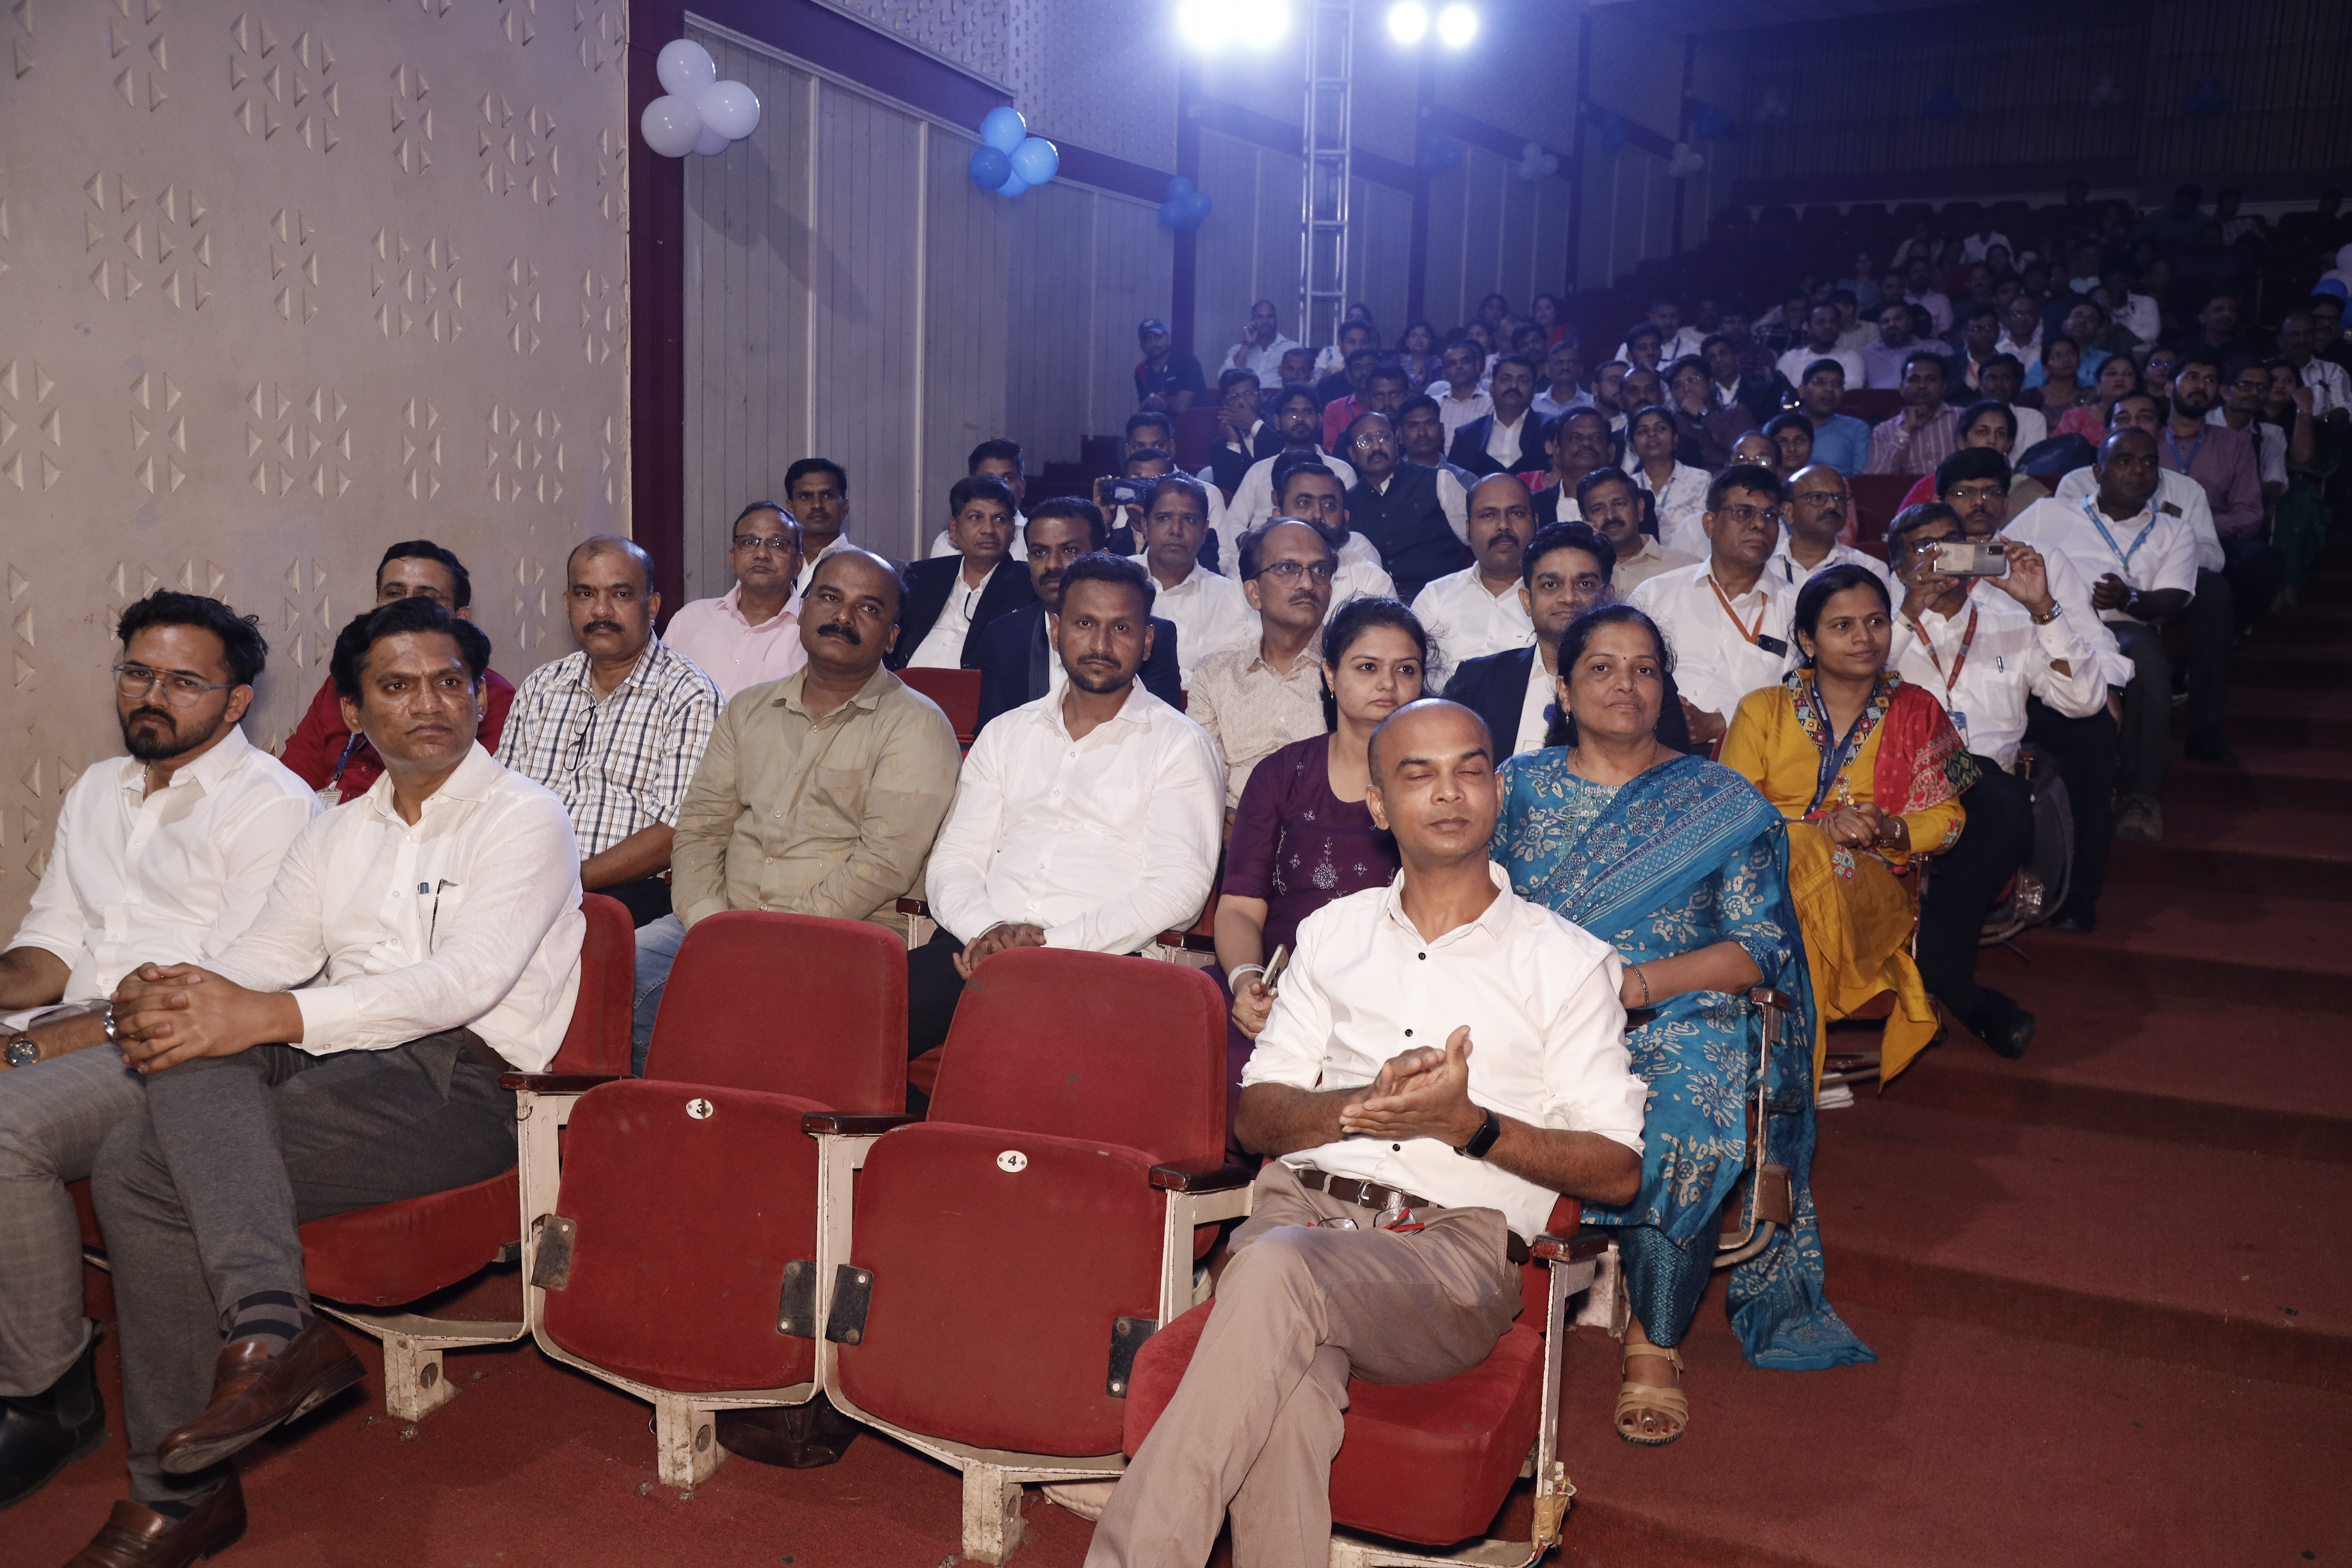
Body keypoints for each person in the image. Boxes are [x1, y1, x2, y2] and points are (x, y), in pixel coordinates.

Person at [81, 597, 584, 1561]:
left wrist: (264, 1014)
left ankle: (180, 1490)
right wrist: (183, 990)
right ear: (353, 711)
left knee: (136, 1168)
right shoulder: (334, 829)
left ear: (481, 699)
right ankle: (274, 1335)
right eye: (396, 686)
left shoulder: (526, 816)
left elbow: (461, 983)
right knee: (193, 1044)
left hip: (467, 1084)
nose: (428, 703)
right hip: (338, 1060)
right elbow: (262, 959)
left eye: (449, 682)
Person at [1087, 699, 1645, 1568]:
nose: (1448, 792)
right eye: (1418, 774)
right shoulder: (1330, 934)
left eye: (1468, 770)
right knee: (1290, 1392)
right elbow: (1256, 1115)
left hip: (1447, 1258)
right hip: (1301, 1212)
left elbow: (1616, 1172)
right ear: (1379, 804)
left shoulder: (1567, 964)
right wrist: (1360, 1103)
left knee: (1274, 1271)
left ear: (1497, 792)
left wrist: (1468, 1127)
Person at [1493, 604, 1870, 1444]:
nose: (1625, 685)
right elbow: (1473, 903)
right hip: (1532, 1007)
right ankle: (1477, 1304)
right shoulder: (1516, 787)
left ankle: (1654, 1337)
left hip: (1676, 1012)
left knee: (1688, 1119)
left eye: (1645, 669)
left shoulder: (1719, 799)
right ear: (1564, 689)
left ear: (1665, 689)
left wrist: (1632, 987)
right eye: (1601, 668)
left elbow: (1759, 946)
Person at [0, 594, 317, 1514]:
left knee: (6, 1128)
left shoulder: (272, 806)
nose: (152, 694)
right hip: (75, 1021)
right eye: (138, 673)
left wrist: (49, 1043)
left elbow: (220, 990)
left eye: (184, 681)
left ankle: (49, 1397)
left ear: (236, 700)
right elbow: (50, 945)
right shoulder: (101, 788)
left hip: (181, 1052)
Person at [639, 549, 964, 1070]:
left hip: (844, 935)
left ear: (891, 637)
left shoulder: (916, 725)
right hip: (719, 921)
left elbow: (884, 864)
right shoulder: (748, 708)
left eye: (868, 608)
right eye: (830, 598)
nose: (843, 616)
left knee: (737, 1011)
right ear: (803, 609)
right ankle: (670, 1111)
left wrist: (770, 937)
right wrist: (710, 923)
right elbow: (699, 829)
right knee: (621, 976)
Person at [908, 555, 1224, 1061]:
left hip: (1099, 966)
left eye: (1121, 628)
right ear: (1056, 631)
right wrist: (988, 932)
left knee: (1033, 1061)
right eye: (1084, 624)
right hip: (976, 947)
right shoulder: (1006, 733)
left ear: (1147, 642)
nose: (1101, 645)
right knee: (856, 1024)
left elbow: (1179, 888)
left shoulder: (1180, 745)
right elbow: (956, 859)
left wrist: (1046, 947)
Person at [1719, 566, 1972, 1085]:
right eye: (1843, 626)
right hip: (1764, 877)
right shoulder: (1760, 709)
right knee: (1800, 861)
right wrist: (1816, 829)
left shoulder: (1922, 709)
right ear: (1808, 640)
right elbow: (1731, 816)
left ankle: (1781, 1083)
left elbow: (1952, 821)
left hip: (1868, 883)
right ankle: (1789, 1087)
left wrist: (1887, 829)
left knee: (1801, 882)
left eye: (1876, 622)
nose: (1865, 638)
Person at [1884, 503, 2105, 1057]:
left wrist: (2044, 607)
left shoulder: (2013, 623)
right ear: (1898, 566)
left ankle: (1942, 978)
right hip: (1901, 779)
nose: (1941, 556)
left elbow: (2084, 702)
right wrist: (1908, 612)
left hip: (1986, 789)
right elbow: (1851, 690)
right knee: (1995, 792)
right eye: (1923, 547)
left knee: (1997, 792)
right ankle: (1959, 990)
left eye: (1952, 542)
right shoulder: (1878, 625)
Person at [1214, 599, 1427, 1135]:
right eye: (1367, 667)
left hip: (1394, 995)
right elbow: (1239, 906)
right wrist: (1246, 982)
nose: (1388, 684)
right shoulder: (1281, 774)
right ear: (1330, 675)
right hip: (1281, 990)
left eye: (1406, 669)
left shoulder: (1439, 784)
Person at [1937, 448, 2126, 932]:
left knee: (2093, 729)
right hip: (1945, 700)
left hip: (2031, 686)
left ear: (2006, 503)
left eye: (1991, 492)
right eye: (1964, 492)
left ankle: (2078, 890)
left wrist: (2107, 686)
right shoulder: (1917, 563)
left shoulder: (2037, 560)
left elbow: (2092, 636)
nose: (1979, 503)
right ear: (1942, 501)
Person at [498, 536, 721, 931]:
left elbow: (677, 832)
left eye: (620, 594)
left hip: (630, 891)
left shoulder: (689, 694)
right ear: (568, 604)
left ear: (652, 607)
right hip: (527, 881)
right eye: (586, 594)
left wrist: (567, 881)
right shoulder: (542, 686)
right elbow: (502, 803)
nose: (601, 610)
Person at [2005, 429, 2196, 843]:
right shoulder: (2049, 513)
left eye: (2148, 462)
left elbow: (2174, 598)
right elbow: (2001, 558)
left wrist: (2131, 598)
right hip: (2047, 623)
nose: (2138, 470)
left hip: (2122, 627)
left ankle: (2140, 796)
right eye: (2124, 461)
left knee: (2146, 656)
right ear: (2098, 471)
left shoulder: (2174, 530)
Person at [279, 542, 517, 805]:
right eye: (394, 593)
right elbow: (291, 785)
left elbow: (479, 795)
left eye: (427, 597)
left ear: (461, 618)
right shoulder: (346, 681)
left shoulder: (483, 694)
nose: (407, 606)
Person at [1446, 521, 1693, 760]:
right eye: (1551, 584)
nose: (1568, 597)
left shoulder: (1644, 682)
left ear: (1608, 598)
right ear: (1527, 601)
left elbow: (1674, 771)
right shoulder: (1476, 681)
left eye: (1585, 584)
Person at [973, 498, 1184, 733]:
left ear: (1101, 557)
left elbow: (1161, 731)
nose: (1053, 565)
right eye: (1040, 552)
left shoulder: (1148, 637)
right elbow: (991, 733)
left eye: (1070, 551)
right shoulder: (1003, 636)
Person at [1628, 464, 1801, 749]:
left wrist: (1722, 722)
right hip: (1656, 749)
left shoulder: (1797, 608)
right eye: (1744, 512)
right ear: (1710, 524)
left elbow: (1802, 698)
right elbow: (1627, 672)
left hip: (1756, 753)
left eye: (1770, 515)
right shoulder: (1655, 594)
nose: (1760, 524)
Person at [1188, 520, 1338, 814]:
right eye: (1288, 568)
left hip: (1327, 828)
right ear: (1254, 593)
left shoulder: (1352, 667)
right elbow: (1202, 775)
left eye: (1320, 570)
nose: (1308, 584)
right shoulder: (1215, 673)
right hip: (1233, 828)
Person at [2159, 350, 2290, 669]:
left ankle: (2217, 642)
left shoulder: (2235, 443)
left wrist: (2198, 526)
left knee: (2264, 563)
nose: (2200, 386)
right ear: (2169, 387)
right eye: (2192, 377)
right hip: (2152, 535)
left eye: (2210, 380)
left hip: (2214, 538)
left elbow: (2249, 514)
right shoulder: (2148, 438)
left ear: (2218, 391)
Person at [661, 502, 808, 701]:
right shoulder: (690, 619)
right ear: (733, 559)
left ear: (798, 564)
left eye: (777, 544)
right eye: (749, 542)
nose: (761, 554)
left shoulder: (813, 632)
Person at [894, 474, 1038, 672]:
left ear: (1013, 529)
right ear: (953, 529)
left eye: (999, 519)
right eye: (976, 518)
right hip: (905, 686)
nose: (988, 529)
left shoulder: (1028, 585)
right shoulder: (922, 576)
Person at [1412, 474, 1538, 689]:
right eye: (1488, 515)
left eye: (1516, 513)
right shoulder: (1435, 598)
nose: (1504, 526)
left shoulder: (1556, 599)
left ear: (1536, 524)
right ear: (1468, 530)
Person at [1130, 473, 1256, 689]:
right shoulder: (1116, 580)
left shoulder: (1229, 595)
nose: (1176, 530)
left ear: (1205, 530)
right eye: (1164, 518)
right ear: (1145, 525)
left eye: (1189, 520)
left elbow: (1224, 678)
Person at [1343, 410, 1468, 602]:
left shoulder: (1437, 481)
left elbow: (1476, 536)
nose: (1376, 447)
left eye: (1384, 437)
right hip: (1381, 608)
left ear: (1397, 441)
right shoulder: (1347, 503)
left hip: (1444, 600)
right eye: (1365, 441)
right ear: (1352, 453)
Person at [1268, 457, 1398, 613]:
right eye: (1304, 503)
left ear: (1346, 517)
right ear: (1278, 515)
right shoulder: (1254, 572)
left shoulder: (1371, 581)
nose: (1317, 515)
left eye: (1329, 505)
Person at [1228, 386, 1358, 537]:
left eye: (1307, 412)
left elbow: (1349, 526)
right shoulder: (1259, 470)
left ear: (1319, 421)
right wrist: (1253, 544)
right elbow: (1233, 522)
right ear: (1277, 422)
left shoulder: (1342, 471)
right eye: (1292, 412)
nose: (1300, 419)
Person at [1576, 468, 1698, 594]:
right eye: (1598, 509)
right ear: (1585, 520)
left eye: (1619, 504)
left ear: (1640, 509)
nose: (1610, 516)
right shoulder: (1577, 572)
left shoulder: (1686, 567)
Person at [1773, 465, 1894, 590]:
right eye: (1817, 497)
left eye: (1840, 498)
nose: (1832, 505)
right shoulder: (1766, 563)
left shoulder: (1869, 569)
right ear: (1788, 511)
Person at [1623, 404, 1713, 554]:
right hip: (1642, 563)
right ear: (1633, 447)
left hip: (1692, 562)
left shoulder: (1701, 480)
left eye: (1661, 428)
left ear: (1675, 439)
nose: (1652, 435)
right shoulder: (1626, 487)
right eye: (1643, 431)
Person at [929, 440, 1034, 562]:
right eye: (989, 478)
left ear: (1022, 487)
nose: (998, 486)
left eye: (1008, 478)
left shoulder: (1035, 536)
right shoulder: (946, 542)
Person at [1447, 354, 1545, 479]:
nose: (1514, 386)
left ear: (1533, 392)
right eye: (1505, 379)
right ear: (1492, 389)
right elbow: (1453, 482)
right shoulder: (1467, 435)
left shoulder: (1550, 429)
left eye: (1523, 381)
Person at [1865, 349, 1961, 476]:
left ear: (1944, 387)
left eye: (1931, 379)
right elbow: (1875, 479)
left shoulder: (1962, 419)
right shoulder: (1883, 431)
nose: (1922, 386)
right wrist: (1906, 430)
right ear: (1901, 389)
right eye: (1914, 379)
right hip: (1907, 489)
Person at [1530, 407, 1616, 523]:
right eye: (1575, 438)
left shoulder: (1633, 500)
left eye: (1596, 438)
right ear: (1557, 450)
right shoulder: (1534, 505)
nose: (1586, 443)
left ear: (1611, 451)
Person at [784, 457, 855, 594]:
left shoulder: (865, 567)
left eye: (828, 495)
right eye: (806, 497)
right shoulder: (774, 563)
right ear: (791, 508)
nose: (817, 505)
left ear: (845, 508)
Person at [1792, 360, 1871, 476]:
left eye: (1837, 384)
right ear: (1802, 391)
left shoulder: (1857, 429)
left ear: (1843, 392)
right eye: (1820, 382)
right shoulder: (1781, 426)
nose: (1829, 389)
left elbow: (1860, 479)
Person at [1396, 393, 1481, 494]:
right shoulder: (1390, 478)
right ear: (1401, 435)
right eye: (1413, 426)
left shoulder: (1465, 481)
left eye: (1430, 424)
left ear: (1442, 430)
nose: (1422, 433)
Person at [1203, 368, 1271, 494]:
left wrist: (1254, 425)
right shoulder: (1219, 446)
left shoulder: (1278, 429)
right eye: (1235, 397)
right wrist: (1233, 443)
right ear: (1225, 403)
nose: (1242, 402)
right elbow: (1228, 492)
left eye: (1249, 394)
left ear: (1260, 396)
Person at [1774, 303, 1865, 391]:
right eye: (1820, 322)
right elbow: (1780, 391)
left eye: (1833, 322)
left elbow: (1853, 388)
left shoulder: (1852, 357)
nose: (1828, 326)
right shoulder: (1791, 358)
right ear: (1809, 328)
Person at [2057, 353, 2141, 444]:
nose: (2120, 378)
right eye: (2112, 373)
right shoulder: (2075, 416)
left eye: (2128, 374)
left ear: (2136, 383)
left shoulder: (2145, 416)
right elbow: (2057, 449)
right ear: (2098, 384)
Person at [1976, 356, 2047, 453]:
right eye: (1992, 378)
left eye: (2006, 378)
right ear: (1980, 383)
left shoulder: (2032, 419)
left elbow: (2031, 460)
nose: (1999, 384)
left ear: (2015, 384)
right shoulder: (1967, 418)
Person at [1135, 316, 1206, 414]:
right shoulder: (1141, 369)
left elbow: (1181, 407)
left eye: (1158, 337)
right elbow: (1142, 406)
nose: (1153, 344)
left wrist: (1156, 401)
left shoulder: (1188, 362)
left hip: (1192, 421)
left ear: (1169, 338)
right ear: (1141, 345)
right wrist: (1152, 402)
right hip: (1157, 421)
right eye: (1147, 340)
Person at [1429, 338, 1494, 442]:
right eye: (1452, 364)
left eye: (1465, 361)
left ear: (1477, 367)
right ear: (1444, 374)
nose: (1459, 366)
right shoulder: (1434, 405)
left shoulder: (1492, 403)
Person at [1224, 299, 1300, 383]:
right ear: (1252, 321)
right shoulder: (1237, 350)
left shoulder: (1293, 348)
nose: (1265, 322)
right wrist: (1248, 344)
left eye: (1270, 317)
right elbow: (1227, 379)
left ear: (1276, 320)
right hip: (1247, 392)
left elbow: (1301, 381)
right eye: (1260, 317)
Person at [1860, 300, 1922, 389]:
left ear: (1910, 322)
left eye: (1898, 319)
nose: (1892, 324)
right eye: (1885, 321)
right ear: (1879, 327)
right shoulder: (1869, 353)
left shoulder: (1929, 349)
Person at [1530, 340, 1589, 420]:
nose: (1566, 367)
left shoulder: (1592, 403)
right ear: (1547, 370)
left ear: (1581, 369)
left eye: (1571, 363)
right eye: (1559, 363)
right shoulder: (1532, 404)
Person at [1762, 409, 1816, 478]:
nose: (1792, 449)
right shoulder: (1760, 482)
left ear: (1812, 445)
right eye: (1782, 442)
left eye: (1800, 441)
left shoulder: (1824, 479)